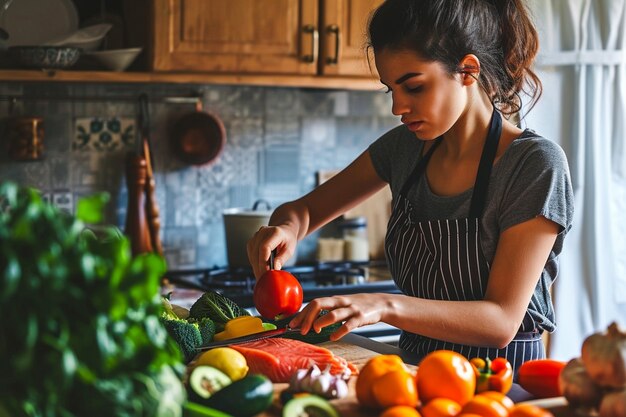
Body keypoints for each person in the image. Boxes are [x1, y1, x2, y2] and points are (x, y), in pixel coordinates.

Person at [247, 0, 574, 374]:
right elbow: (303, 212)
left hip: (500, 387)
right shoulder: (403, 149)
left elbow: (500, 322)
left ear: (467, 71)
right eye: (391, 91)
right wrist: (286, 228)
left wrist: (383, 305)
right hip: (412, 378)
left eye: (414, 87)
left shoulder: (533, 164)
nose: (398, 108)